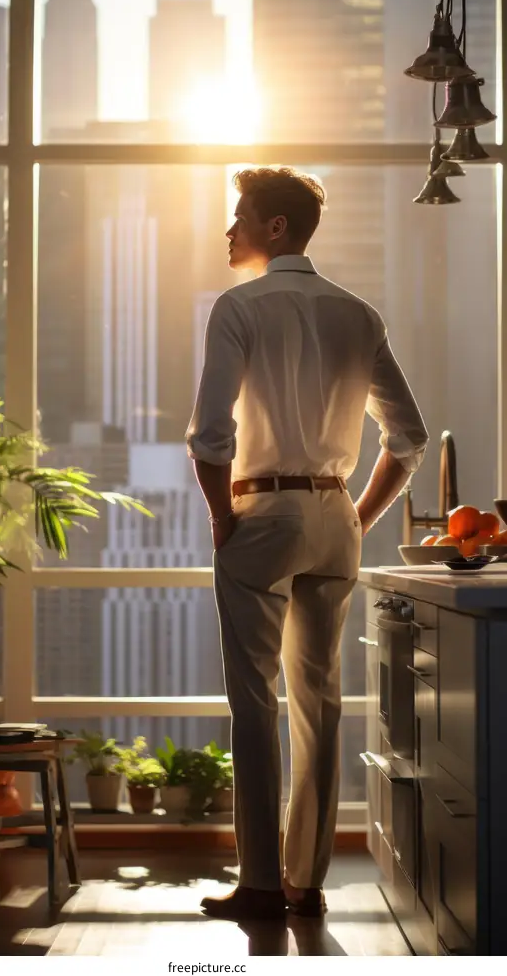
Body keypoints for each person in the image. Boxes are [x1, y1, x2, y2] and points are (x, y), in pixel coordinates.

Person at [186, 166, 429, 922]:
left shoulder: (238, 307)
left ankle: (259, 880)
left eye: (241, 217)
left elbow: (209, 433)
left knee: (255, 702)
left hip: (261, 512)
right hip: (333, 519)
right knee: (318, 702)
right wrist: (354, 512)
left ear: (276, 228)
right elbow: (409, 437)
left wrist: (225, 522)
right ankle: (307, 880)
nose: (230, 230)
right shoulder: (360, 315)